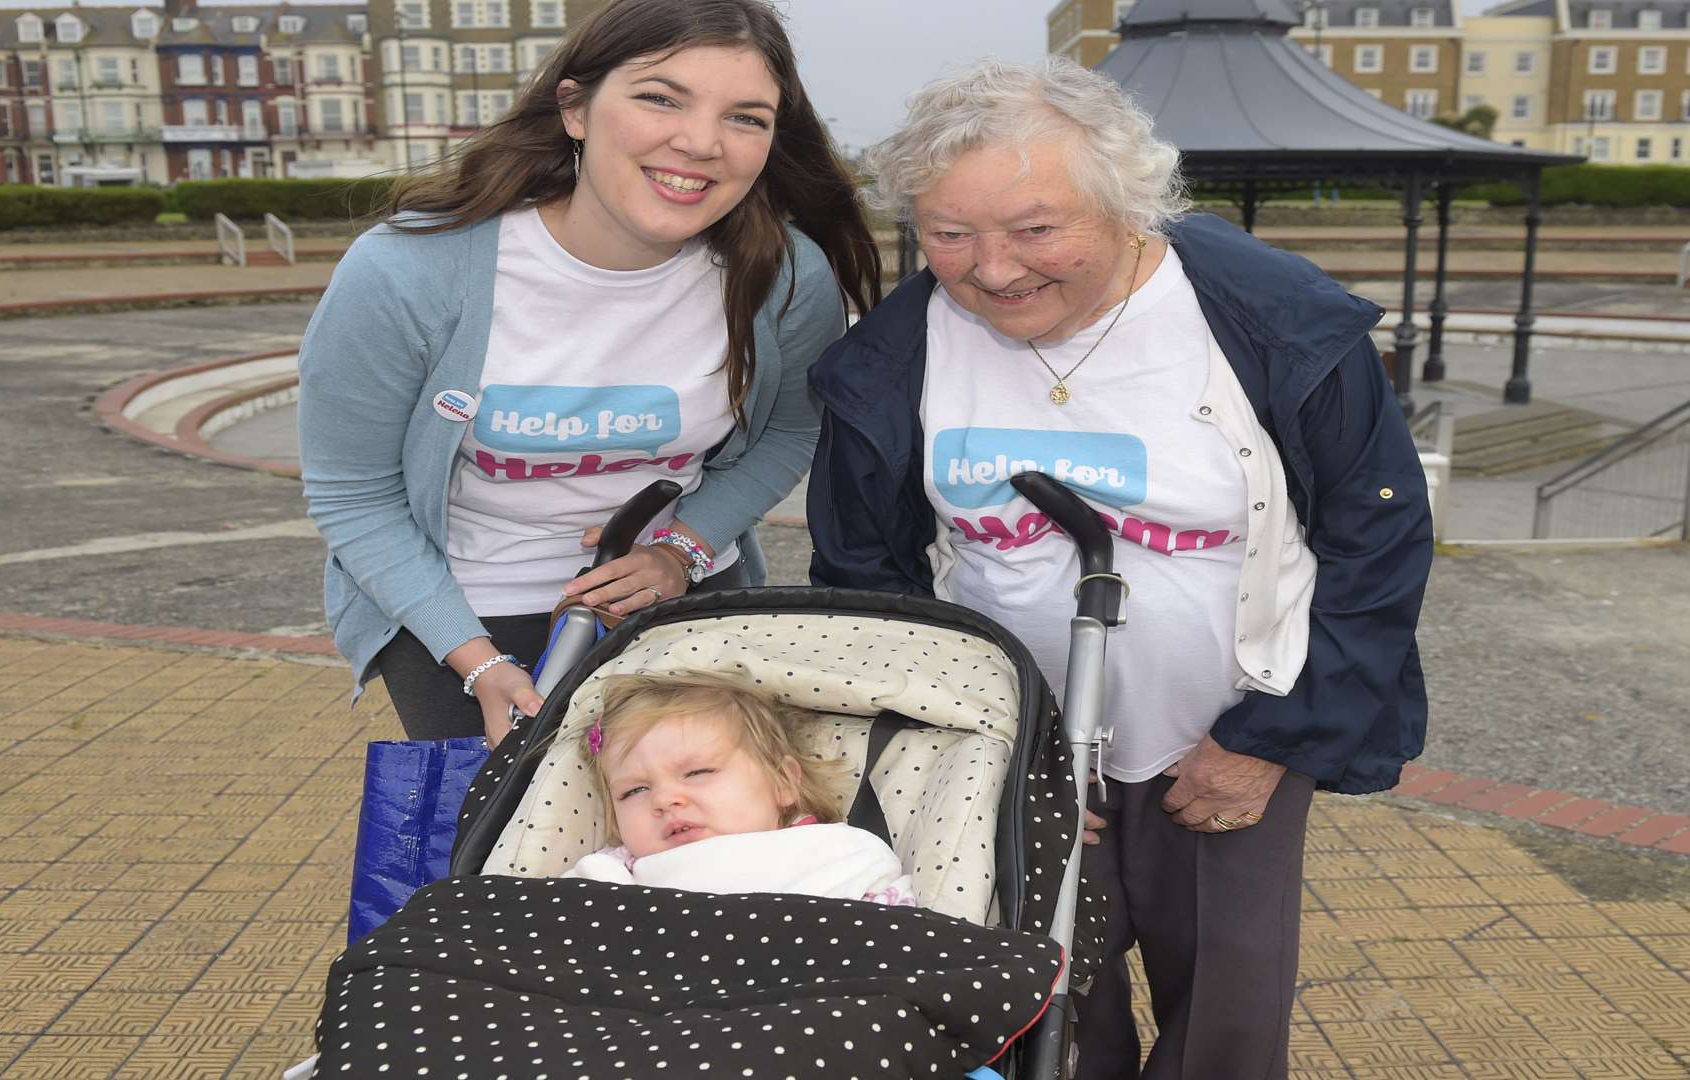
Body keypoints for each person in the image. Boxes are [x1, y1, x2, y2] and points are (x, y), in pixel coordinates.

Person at [806, 58, 1431, 1079]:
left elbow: (1381, 542)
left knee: (1224, 1023)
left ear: (1127, 202)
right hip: (1019, 756)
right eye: (950, 234)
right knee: (1041, 1016)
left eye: (1035, 229)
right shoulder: (899, 349)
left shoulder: (1273, 320)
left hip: (1229, 745)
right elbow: (863, 568)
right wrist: (972, 752)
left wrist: (1275, 739)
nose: (992, 270)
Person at [298, 0, 879, 747]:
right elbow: (355, 494)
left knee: (691, 843)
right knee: (496, 854)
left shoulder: (784, 274)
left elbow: (789, 432)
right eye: (659, 98)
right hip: (462, 616)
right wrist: (477, 663)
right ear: (574, 107)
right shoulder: (410, 269)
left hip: (680, 597)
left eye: (747, 118)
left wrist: (682, 551)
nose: (701, 142)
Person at [559, 671, 916, 907]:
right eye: (633, 791)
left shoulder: (838, 853)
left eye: (697, 772)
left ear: (782, 781)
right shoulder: (615, 874)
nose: (664, 799)